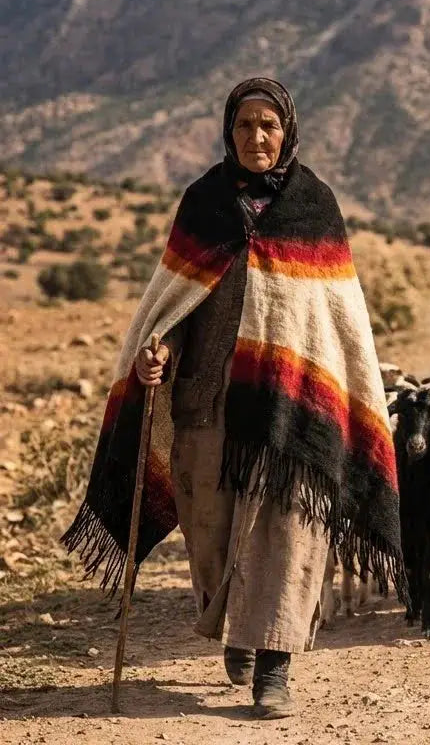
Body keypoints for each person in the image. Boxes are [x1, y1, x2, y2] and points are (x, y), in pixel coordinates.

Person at [63, 77, 407, 720]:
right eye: (245, 125)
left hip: (291, 411)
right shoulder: (203, 203)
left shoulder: (315, 207)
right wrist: (156, 350)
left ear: (288, 132)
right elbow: (171, 304)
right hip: (208, 402)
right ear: (229, 131)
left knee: (289, 536)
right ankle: (235, 629)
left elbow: (337, 320)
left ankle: (274, 665)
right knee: (211, 535)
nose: (257, 137)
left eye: (269, 126)